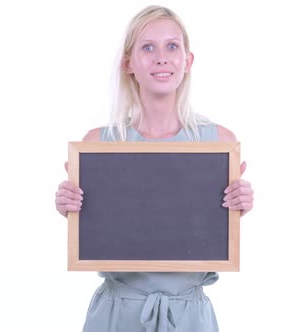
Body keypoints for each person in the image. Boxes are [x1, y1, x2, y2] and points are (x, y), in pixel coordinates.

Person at [55, 5, 254, 332]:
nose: (161, 57)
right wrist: (72, 207)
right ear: (128, 63)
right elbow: (94, 228)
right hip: (117, 315)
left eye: (172, 46)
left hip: (189, 317)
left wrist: (236, 206)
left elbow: (211, 229)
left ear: (187, 61)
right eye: (148, 47)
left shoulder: (217, 143)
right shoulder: (97, 146)